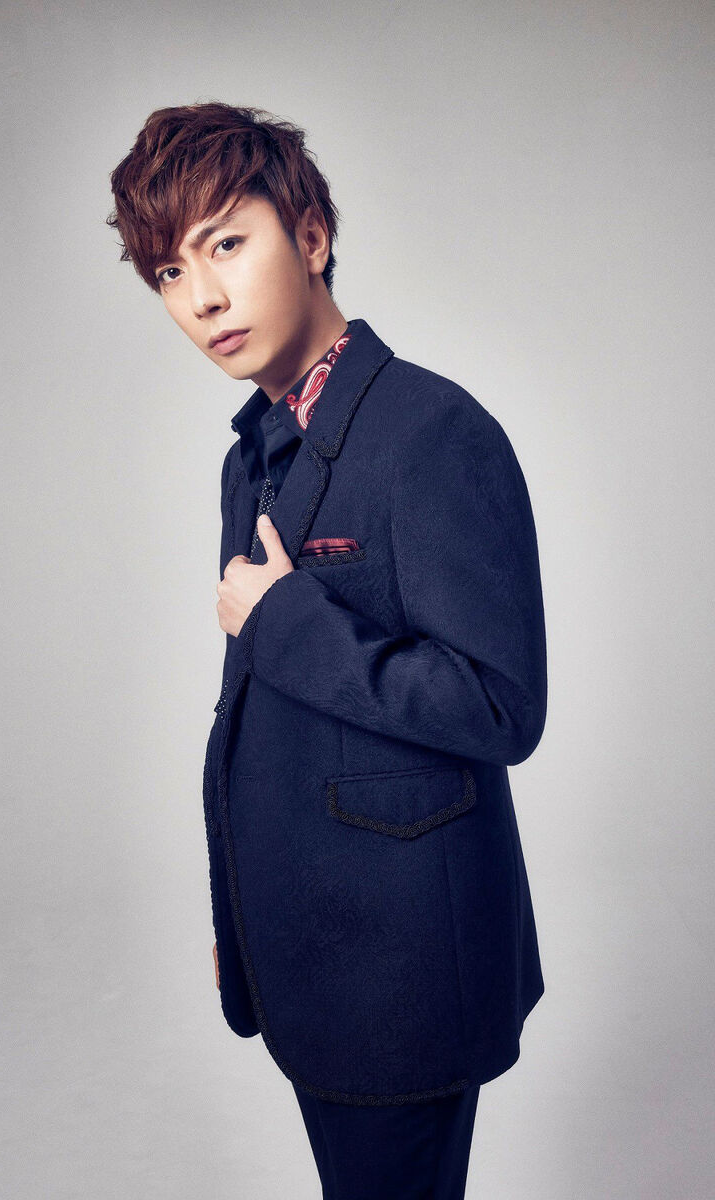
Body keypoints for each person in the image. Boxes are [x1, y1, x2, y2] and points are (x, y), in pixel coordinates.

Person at [107, 100, 548, 1199]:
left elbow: (499, 705)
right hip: (310, 952)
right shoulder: (253, 453)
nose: (200, 298)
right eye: (168, 271)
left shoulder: (432, 432)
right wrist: (243, 922)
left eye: (224, 243)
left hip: (406, 970)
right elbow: (263, 723)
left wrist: (288, 620)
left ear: (309, 234)